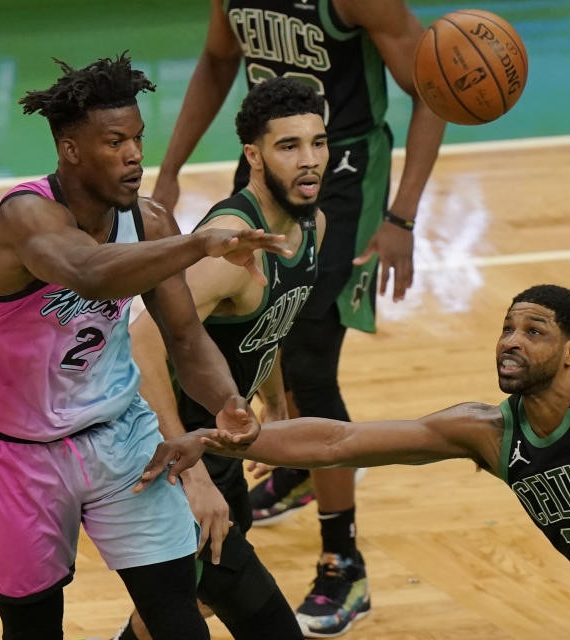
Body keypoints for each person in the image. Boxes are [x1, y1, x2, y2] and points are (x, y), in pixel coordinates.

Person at [142, 277, 570, 639]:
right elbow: (341, 441)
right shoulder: (487, 432)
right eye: (508, 328)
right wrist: (231, 438)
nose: (511, 341)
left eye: (533, 331)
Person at [0, 53, 293, 640]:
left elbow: (186, 338)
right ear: (71, 150)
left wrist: (226, 400)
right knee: (34, 630)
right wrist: (198, 246)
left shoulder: (151, 223)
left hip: (121, 436)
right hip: (20, 453)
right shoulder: (26, 217)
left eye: (138, 138)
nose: (135, 154)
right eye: (115, 142)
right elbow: (88, 272)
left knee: (178, 621)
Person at [151, 1, 446, 634]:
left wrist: (401, 216)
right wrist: (170, 168)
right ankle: (294, 463)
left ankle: (343, 560)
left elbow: (433, 90)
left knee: (312, 362)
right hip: (271, 158)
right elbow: (215, 61)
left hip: (343, 178)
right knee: (250, 311)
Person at [115, 77, 326, 640]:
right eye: (290, 146)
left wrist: (277, 406)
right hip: (171, 450)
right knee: (256, 617)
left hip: (220, 446)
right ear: (254, 156)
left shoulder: (311, 225)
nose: (309, 162)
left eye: (319, 143)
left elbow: (269, 325)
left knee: (193, 599)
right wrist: (194, 476)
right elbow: (140, 343)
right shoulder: (230, 245)